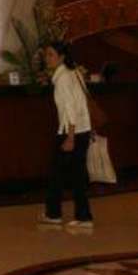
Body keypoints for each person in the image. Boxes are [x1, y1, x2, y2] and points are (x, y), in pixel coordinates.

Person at [39, 40, 93, 230]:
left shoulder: (62, 78)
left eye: (51, 55)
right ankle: (63, 214)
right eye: (46, 55)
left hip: (72, 132)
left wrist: (70, 137)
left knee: (61, 174)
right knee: (69, 174)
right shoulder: (74, 73)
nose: (47, 59)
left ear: (61, 57)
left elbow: (70, 108)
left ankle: (67, 215)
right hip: (81, 129)